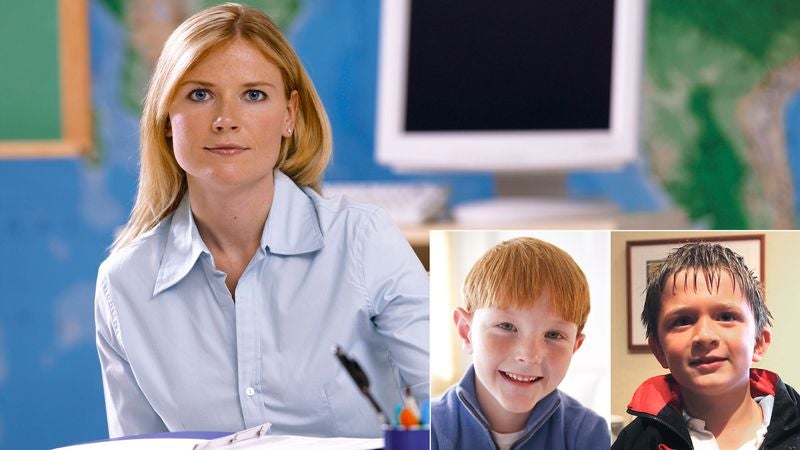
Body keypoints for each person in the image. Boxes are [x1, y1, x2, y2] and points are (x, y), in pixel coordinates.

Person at [94, 3, 428, 439]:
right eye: (199, 94)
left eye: (253, 95)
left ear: (290, 114)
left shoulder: (363, 240)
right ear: (166, 121)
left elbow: (457, 411)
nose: (225, 121)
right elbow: (139, 448)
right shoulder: (124, 283)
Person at [613, 242, 800, 449]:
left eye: (726, 317)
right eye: (683, 321)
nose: (704, 335)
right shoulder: (634, 441)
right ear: (659, 350)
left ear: (759, 342)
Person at [431, 237, 610, 450]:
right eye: (507, 326)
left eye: (553, 335)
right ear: (466, 332)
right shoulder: (429, 429)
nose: (529, 355)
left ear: (574, 347)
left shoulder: (589, 435)